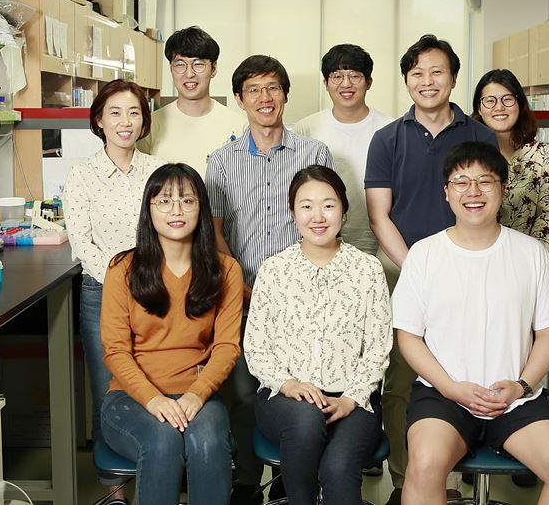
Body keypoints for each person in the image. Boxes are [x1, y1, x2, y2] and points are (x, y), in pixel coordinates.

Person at [394, 142, 549, 505]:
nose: (474, 192)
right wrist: (451, 388)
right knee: (424, 464)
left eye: (485, 181)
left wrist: (521, 385)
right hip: (443, 396)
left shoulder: (531, 254)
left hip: (516, 398)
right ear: (446, 192)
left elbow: (548, 335)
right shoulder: (424, 255)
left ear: (502, 188)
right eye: (462, 182)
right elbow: (409, 338)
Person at [363, 34, 497, 505]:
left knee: (467, 369)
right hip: (405, 273)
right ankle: (408, 481)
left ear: (454, 78)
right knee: (403, 378)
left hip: (474, 272)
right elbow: (379, 215)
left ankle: (453, 484)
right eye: (417, 73)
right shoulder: (387, 139)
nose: (427, 81)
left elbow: (488, 202)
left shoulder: (479, 135)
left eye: (436, 71)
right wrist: (418, 266)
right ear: (406, 81)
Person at [205, 55, 334, 504]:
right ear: (239, 99)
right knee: (242, 390)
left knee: (302, 383)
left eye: (273, 88)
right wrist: (243, 287)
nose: (265, 98)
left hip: (303, 298)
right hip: (239, 297)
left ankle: (289, 475)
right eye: (254, 90)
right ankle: (246, 480)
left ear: (285, 95)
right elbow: (216, 234)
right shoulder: (220, 162)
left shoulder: (313, 154)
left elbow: (321, 225)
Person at [243, 165, 392, 505]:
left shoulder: (367, 269)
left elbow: (378, 349)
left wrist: (350, 398)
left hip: (354, 401)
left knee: (339, 470)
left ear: (343, 208)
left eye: (328, 204)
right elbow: (256, 347)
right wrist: (289, 384)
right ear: (292, 213)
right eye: (306, 206)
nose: (318, 216)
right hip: (284, 398)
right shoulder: (275, 269)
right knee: (306, 420)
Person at [100, 163, 243, 505]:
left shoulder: (226, 271)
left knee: (207, 442)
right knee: (162, 441)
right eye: (164, 201)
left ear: (202, 209)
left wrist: (196, 394)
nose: (176, 210)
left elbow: (226, 348)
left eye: (187, 201)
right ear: (148, 210)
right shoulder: (122, 270)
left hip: (198, 395)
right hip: (131, 399)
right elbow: (116, 351)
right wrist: (154, 399)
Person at [64, 79, 165, 505]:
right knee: (107, 383)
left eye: (135, 113)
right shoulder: (82, 176)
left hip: (156, 291)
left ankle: (157, 479)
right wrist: (122, 281)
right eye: (116, 113)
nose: (126, 122)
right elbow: (81, 243)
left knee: (157, 378)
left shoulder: (157, 172)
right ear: (99, 120)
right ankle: (116, 491)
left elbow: (169, 231)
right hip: (102, 293)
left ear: (144, 121)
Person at [294, 44, 392, 255]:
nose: (346, 84)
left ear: (369, 82)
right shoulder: (306, 128)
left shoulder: (391, 129)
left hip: (382, 244)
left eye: (354, 76)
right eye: (337, 76)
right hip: (322, 240)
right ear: (326, 83)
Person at [472, 68, 549, 272]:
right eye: (490, 100)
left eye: (507, 99)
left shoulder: (542, 154)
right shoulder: (469, 156)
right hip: (478, 264)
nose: (499, 107)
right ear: (479, 107)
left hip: (530, 265)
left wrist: (531, 267)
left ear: (520, 104)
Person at [138, 26, 245, 175]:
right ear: (171, 68)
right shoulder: (150, 125)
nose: (189, 74)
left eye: (198, 64)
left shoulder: (239, 126)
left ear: (213, 68)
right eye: (180, 64)